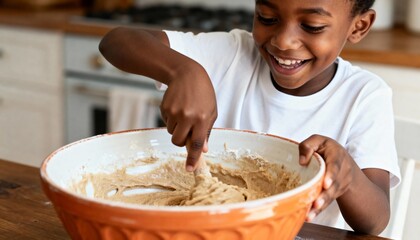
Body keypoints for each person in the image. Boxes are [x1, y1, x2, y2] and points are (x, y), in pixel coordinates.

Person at [98, 0, 401, 235]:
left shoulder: (364, 96)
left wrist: (346, 171)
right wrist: (182, 70)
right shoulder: (231, 54)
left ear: (358, 26)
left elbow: (374, 223)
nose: (283, 41)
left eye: (311, 26)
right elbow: (116, 40)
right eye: (267, 18)